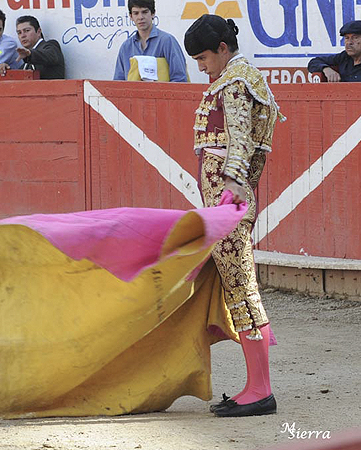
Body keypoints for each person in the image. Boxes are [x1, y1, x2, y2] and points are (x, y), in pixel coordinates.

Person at [184, 14, 284, 417]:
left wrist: (230, 198)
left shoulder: (236, 82)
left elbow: (241, 142)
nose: (201, 66)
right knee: (238, 289)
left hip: (228, 206)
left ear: (223, 49)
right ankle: (255, 385)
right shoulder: (236, 79)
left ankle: (260, 389)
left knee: (242, 290)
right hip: (225, 204)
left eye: (205, 57)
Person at [113, 0, 187, 82]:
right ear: (131, 16)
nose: (140, 17)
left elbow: (180, 80)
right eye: (136, 13)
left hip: (163, 94)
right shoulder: (125, 47)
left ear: (153, 13)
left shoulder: (167, 41)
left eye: (144, 12)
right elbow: (118, 83)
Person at [0, 16, 65, 79]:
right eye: (19, 32)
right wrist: (7, 70)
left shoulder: (51, 45)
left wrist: (30, 54)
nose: (22, 35)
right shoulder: (27, 58)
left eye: (27, 31)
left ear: (38, 32)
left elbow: (50, 55)